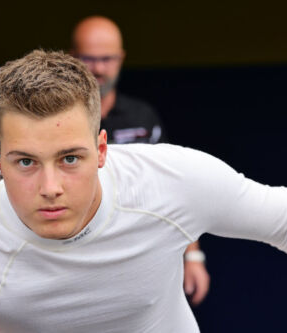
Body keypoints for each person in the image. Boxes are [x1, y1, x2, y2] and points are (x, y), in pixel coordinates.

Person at [0, 49, 287, 332]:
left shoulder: (169, 181)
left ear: (102, 149)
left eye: (70, 159)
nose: (50, 188)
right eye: (25, 162)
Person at [71, 15, 209, 305]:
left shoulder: (143, 118)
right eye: (89, 58)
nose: (98, 68)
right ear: (72, 57)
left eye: (107, 58)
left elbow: (172, 187)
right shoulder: (58, 119)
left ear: (121, 59)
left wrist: (193, 255)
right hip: (72, 263)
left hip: (139, 258)